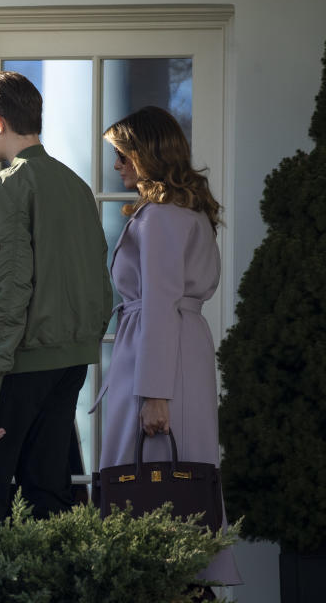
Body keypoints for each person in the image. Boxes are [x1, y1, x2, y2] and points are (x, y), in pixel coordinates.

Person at [0, 72, 112, 520]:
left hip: (15, 366)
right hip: (69, 363)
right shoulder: (75, 185)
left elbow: (6, 288)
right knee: (47, 497)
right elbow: (100, 278)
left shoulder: (9, 186)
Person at [99, 105, 241, 590]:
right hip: (182, 350)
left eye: (122, 155)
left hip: (159, 355)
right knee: (185, 473)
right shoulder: (189, 212)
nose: (117, 166)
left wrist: (155, 393)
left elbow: (159, 299)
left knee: (146, 475)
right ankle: (186, 578)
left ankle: (154, 580)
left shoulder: (159, 217)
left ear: (146, 154)